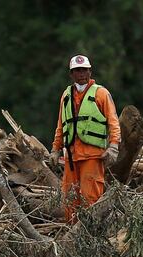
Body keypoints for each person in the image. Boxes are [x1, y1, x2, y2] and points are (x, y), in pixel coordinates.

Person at [50, 54, 121, 221]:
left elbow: (113, 122)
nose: (81, 74)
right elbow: (61, 125)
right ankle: (71, 236)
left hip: (92, 156)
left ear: (90, 72)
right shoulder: (66, 95)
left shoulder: (101, 93)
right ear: (71, 74)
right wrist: (55, 149)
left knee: (91, 199)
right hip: (71, 157)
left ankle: (91, 235)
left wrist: (113, 146)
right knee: (69, 199)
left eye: (84, 70)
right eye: (77, 70)